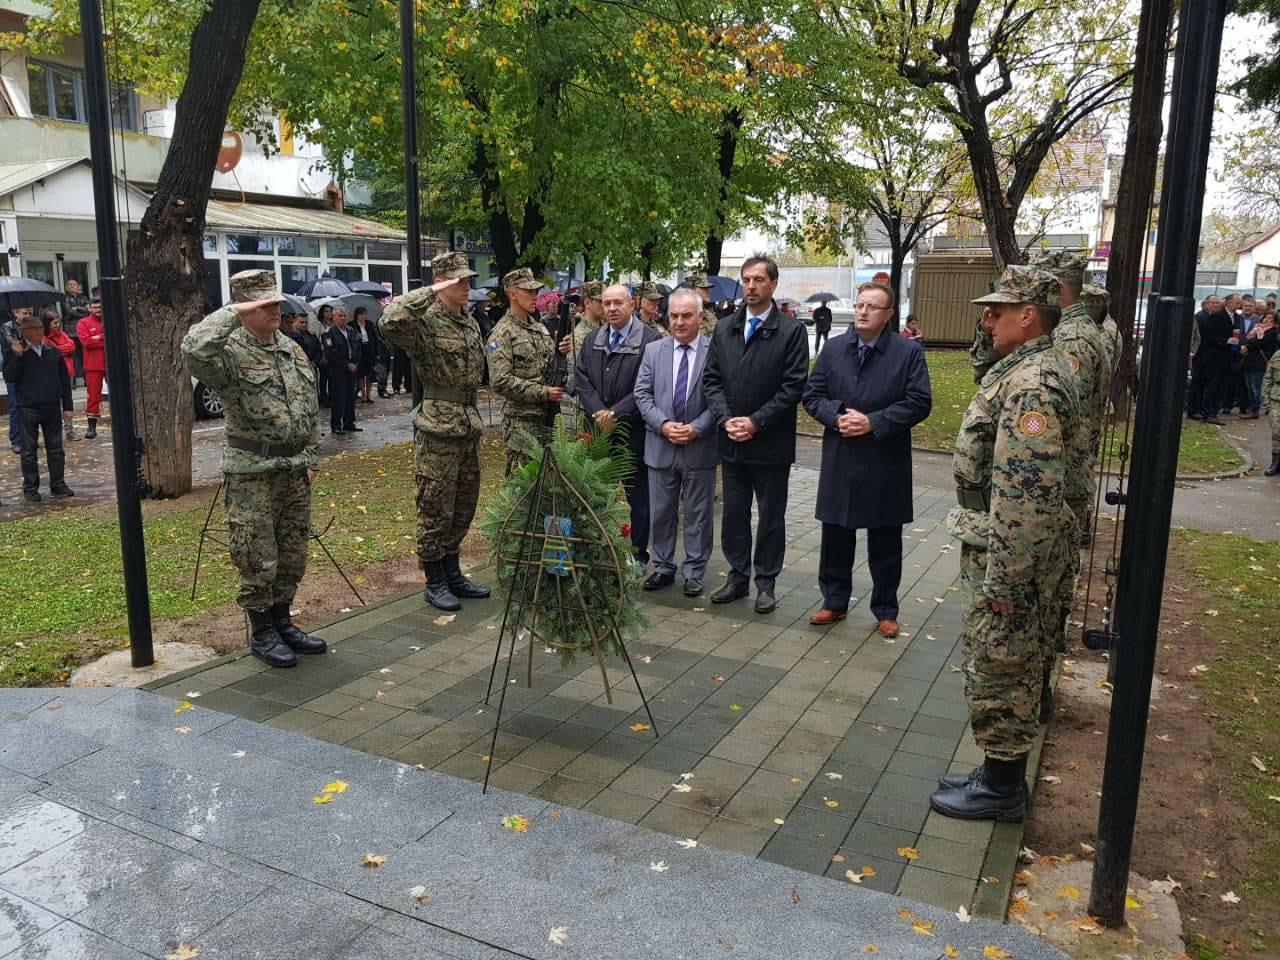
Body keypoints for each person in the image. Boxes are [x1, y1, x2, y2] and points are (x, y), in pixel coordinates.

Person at [931, 266, 1080, 821]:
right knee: (1001, 656)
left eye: (997, 310)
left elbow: (1027, 493)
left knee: (1003, 658)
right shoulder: (1018, 369)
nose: (986, 318)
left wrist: (1007, 581)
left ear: (1030, 316)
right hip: (998, 541)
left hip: (1009, 551)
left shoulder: (1032, 384)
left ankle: (1001, 787)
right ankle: (995, 769)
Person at [182, 269, 324, 668]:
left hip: (294, 467)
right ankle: (262, 630)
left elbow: (308, 406)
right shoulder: (228, 352)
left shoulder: (290, 348)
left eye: (276, 301)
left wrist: (312, 457)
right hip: (253, 471)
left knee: (293, 551)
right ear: (243, 307)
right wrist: (232, 312)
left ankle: (283, 621)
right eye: (263, 303)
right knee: (257, 553)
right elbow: (193, 350)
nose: (275, 309)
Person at [803, 281, 931, 636]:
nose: (862, 311)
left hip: (884, 460)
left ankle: (886, 609)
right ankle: (834, 601)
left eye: (871, 307)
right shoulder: (833, 349)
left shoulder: (907, 354)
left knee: (885, 539)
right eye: (860, 305)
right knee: (836, 536)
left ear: (888, 315)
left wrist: (874, 422)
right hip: (842, 457)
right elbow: (812, 395)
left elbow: (919, 402)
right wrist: (836, 415)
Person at [380, 252, 492, 611]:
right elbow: (389, 322)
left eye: (466, 279)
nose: (466, 286)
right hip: (437, 426)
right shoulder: (425, 321)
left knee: (463, 504)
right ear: (441, 283)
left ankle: (453, 571)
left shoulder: (470, 323)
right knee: (435, 506)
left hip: (467, 424)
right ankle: (435, 578)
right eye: (457, 280)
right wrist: (429, 292)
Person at [703, 254, 810, 614]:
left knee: (770, 517)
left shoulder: (791, 332)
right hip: (731, 441)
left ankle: (766, 582)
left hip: (770, 445)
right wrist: (726, 419)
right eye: (746, 279)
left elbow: (793, 387)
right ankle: (737, 577)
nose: (751, 286)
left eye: (759, 280)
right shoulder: (724, 328)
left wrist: (755, 421)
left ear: (773, 285)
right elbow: (712, 380)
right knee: (734, 514)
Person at [634, 289, 717, 597]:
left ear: (700, 316)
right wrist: (664, 425)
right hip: (661, 444)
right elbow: (642, 395)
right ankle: (663, 566)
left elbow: (721, 398)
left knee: (698, 514)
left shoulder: (714, 352)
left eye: (686, 315)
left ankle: (694, 571)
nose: (679, 322)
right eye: (674, 315)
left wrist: (697, 428)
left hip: (700, 446)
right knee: (661, 512)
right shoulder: (654, 351)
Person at [576, 283, 662, 566]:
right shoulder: (592, 340)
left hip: (633, 433)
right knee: (597, 492)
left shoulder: (650, 341)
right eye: (607, 303)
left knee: (638, 497)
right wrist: (598, 411)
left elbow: (647, 386)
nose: (612, 308)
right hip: (598, 432)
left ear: (632, 305)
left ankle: (638, 554)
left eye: (618, 303)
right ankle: (599, 549)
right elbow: (582, 379)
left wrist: (616, 413)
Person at [487, 268, 562, 473]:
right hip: (522, 422)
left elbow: (548, 365)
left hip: (548, 417)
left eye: (535, 291)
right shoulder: (502, 333)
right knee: (523, 488)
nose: (535, 296)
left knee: (549, 483)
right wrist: (543, 392)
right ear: (512, 294)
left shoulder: (539, 329)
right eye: (528, 291)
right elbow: (500, 381)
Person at [4, 311, 75, 502]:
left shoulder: (53, 351)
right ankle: (30, 487)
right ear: (24, 331)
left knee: (56, 448)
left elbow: (64, 381)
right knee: (28, 451)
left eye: (39, 328)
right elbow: (9, 377)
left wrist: (67, 406)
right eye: (32, 329)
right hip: (28, 407)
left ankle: (58, 484)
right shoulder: (17, 351)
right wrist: (17, 356)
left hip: (51, 405)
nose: (37, 332)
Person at [1191, 295, 1234, 424]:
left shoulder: (1216, 316)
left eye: (1218, 302)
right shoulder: (1200, 317)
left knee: (1206, 384)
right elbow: (1200, 336)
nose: (1217, 305)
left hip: (1210, 357)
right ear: (1206, 304)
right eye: (1213, 302)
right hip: (1201, 356)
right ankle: (1194, 409)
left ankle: (1200, 409)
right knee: (1198, 383)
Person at [322, 307, 360, 435]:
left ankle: (349, 422)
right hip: (338, 370)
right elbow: (331, 353)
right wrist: (346, 364)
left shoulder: (351, 331)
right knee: (338, 398)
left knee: (351, 396)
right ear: (334, 317)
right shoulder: (329, 333)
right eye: (340, 316)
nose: (343, 318)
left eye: (344, 316)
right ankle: (336, 424)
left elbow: (357, 348)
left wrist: (355, 363)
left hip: (352, 368)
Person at [569, 281, 605, 411]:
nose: (605, 305)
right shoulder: (579, 337)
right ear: (588, 303)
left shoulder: (607, 330)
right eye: (601, 301)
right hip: (586, 409)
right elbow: (576, 378)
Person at [44, 311, 79, 441]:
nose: (57, 325)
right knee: (54, 402)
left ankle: (69, 430)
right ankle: (56, 432)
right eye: (54, 323)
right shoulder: (44, 337)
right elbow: (51, 351)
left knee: (68, 401)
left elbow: (72, 346)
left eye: (58, 322)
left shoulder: (62, 334)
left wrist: (59, 349)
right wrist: (61, 349)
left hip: (67, 370)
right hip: (53, 372)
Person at [78, 298, 107, 439]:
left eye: (100, 307)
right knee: (94, 396)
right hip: (93, 365)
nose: (98, 310)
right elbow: (86, 342)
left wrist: (97, 338)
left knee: (119, 394)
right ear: (89, 308)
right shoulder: (83, 322)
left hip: (111, 363)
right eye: (95, 307)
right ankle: (91, 427)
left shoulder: (110, 320)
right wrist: (104, 338)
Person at [1244, 308, 1278, 420]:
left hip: (1260, 361)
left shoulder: (1272, 332)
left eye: (1270, 318)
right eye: (1266, 318)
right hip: (1249, 360)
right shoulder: (1257, 329)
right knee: (1249, 386)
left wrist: (1248, 345)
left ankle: (1255, 410)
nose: (1266, 320)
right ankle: (1250, 408)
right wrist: (1249, 343)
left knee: (1256, 387)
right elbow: (1248, 339)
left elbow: (1258, 343)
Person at [1, 309, 24, 452]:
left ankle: (28, 436)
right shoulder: (7, 327)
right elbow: (12, 346)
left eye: (29, 313)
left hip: (28, 371)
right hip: (12, 369)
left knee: (28, 405)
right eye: (24, 313)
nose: (27, 316)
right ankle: (15, 438)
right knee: (15, 406)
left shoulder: (30, 325)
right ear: (16, 313)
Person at [61, 279, 89, 387]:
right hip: (71, 330)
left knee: (84, 355)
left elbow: (89, 310)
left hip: (82, 329)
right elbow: (69, 311)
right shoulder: (64, 298)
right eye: (70, 285)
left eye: (75, 284)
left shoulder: (83, 297)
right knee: (72, 356)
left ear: (78, 286)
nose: (73, 286)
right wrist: (82, 311)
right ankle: (73, 381)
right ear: (66, 287)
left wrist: (77, 308)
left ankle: (86, 379)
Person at [353, 306, 382, 404]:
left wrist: (377, 352)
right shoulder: (353, 325)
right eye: (361, 314)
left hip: (369, 350)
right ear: (357, 315)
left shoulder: (369, 324)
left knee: (370, 374)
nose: (363, 316)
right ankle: (363, 394)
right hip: (359, 350)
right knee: (361, 374)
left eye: (365, 314)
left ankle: (369, 394)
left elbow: (375, 339)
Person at [1263, 340, 1280, 475]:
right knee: (1277, 430)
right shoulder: (1277, 356)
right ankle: (1276, 461)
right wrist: (1266, 399)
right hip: (1277, 398)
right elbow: (1268, 377)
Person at [315, 302, 334, 407]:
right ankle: (323, 397)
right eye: (326, 311)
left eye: (330, 311)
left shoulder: (333, 324)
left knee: (332, 377)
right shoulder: (319, 324)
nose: (328, 313)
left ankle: (331, 397)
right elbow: (316, 337)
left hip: (332, 352)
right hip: (323, 352)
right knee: (323, 377)